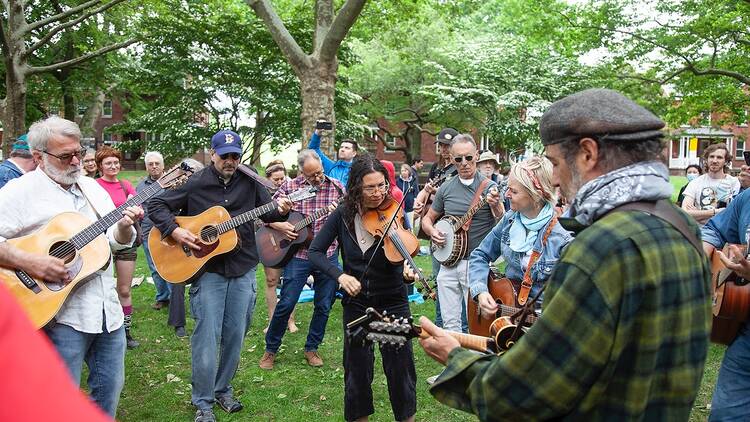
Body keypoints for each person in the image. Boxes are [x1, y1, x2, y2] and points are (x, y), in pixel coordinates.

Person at [418, 88, 712, 420]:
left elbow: (528, 392)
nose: (554, 179)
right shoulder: (683, 226)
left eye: (555, 163)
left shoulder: (600, 247)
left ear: (587, 153)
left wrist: (456, 358)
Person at [0, 116, 142, 416]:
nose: (77, 161)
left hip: (108, 312)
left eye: (79, 152)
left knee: (109, 394)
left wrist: (125, 228)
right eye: (66, 156)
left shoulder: (92, 188)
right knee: (55, 407)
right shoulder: (19, 193)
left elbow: (111, 242)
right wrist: (30, 261)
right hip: (59, 317)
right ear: (39, 157)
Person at [148, 129, 292, 422]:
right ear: (212, 154)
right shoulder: (196, 182)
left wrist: (282, 211)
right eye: (224, 155)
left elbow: (270, 214)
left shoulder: (251, 182)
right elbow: (156, 204)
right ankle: (202, 401)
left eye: (235, 156)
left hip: (242, 267)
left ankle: (222, 389)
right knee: (206, 336)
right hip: (207, 270)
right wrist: (176, 230)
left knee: (235, 334)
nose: (230, 160)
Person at [308, 153, 417, 422]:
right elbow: (316, 251)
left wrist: (406, 270)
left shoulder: (394, 209)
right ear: (356, 186)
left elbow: (401, 251)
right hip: (358, 304)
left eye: (381, 185)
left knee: (400, 371)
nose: (378, 193)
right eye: (370, 187)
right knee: (357, 373)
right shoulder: (342, 214)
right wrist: (340, 276)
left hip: (392, 301)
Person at [260, 150, 344, 370]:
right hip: (298, 255)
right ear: (301, 173)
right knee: (286, 302)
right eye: (312, 176)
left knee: (324, 305)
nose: (317, 178)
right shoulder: (290, 187)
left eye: (319, 173)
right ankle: (271, 349)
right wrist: (279, 224)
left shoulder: (336, 188)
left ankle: (312, 348)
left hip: (328, 255)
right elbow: (266, 215)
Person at [469, 156, 572, 316]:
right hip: (507, 322)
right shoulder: (509, 220)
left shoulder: (562, 237)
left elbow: (570, 298)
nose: (507, 195)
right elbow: (480, 254)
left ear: (536, 195)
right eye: (508, 188)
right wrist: (481, 291)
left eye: (514, 191)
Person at [421, 134, 503, 334]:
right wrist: (432, 232)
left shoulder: (489, 187)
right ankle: (453, 362)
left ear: (476, 155)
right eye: (458, 159)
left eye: (468, 158)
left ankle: (475, 362)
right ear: (451, 158)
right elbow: (427, 219)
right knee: (450, 325)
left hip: (475, 264)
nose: (464, 163)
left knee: (477, 325)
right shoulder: (446, 188)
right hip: (448, 263)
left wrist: (497, 206)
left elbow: (503, 222)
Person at [0, 283, 111, 422]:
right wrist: (28, 262)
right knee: (61, 397)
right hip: (63, 316)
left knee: (109, 390)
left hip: (110, 312)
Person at [702, 187, 750, 420]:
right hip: (747, 334)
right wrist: (701, 258)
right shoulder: (748, 198)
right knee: (725, 415)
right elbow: (714, 228)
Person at [412, 128, 459, 330]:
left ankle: (458, 325)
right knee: (439, 277)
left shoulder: (460, 168)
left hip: (453, 227)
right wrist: (420, 200)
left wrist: (436, 193)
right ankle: (440, 323)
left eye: (448, 145)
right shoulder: (436, 168)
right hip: (434, 226)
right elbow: (426, 189)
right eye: (442, 145)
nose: (444, 149)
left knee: (454, 280)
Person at [95, 146, 141, 349]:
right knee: (100, 289)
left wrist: (137, 210)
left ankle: (126, 332)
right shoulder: (93, 186)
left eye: (115, 162)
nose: (113, 166)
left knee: (123, 289)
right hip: (99, 242)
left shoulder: (126, 186)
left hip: (125, 241)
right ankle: (99, 330)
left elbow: (140, 210)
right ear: (100, 166)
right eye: (108, 163)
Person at [165, 158, 205, 339]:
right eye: (188, 174)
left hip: (204, 244)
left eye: (193, 174)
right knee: (177, 281)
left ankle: (204, 318)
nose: (191, 177)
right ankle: (178, 323)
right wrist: (176, 230)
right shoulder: (178, 190)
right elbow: (164, 211)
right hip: (180, 243)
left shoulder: (208, 192)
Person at [260, 161, 299, 335]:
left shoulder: (293, 190)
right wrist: (279, 225)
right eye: (276, 179)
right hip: (269, 241)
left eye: (282, 178)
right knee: (271, 281)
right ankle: (272, 321)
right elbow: (257, 218)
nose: (280, 182)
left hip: (290, 242)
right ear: (268, 179)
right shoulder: (261, 194)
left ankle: (290, 320)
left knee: (290, 281)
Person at [136, 151, 170, 312]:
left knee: (172, 264)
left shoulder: (172, 181)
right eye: (151, 164)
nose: (154, 166)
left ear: (163, 166)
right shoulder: (141, 187)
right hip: (148, 230)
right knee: (154, 265)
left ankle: (174, 297)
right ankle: (163, 297)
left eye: (157, 163)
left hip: (169, 229)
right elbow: (138, 209)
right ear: (146, 167)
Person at [681, 143, 740, 225]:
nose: (714, 161)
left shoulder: (734, 182)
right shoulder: (695, 183)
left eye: (719, 157)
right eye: (711, 157)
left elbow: (734, 214)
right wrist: (715, 212)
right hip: (701, 232)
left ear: (726, 162)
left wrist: (698, 214)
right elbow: (685, 213)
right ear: (706, 159)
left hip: (725, 233)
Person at [396, 163, 417, 231]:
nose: (404, 172)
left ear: (409, 171)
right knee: (401, 225)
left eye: (405, 170)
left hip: (410, 207)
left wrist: (415, 203)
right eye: (402, 171)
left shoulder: (413, 181)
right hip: (400, 207)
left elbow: (416, 193)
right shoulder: (397, 181)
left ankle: (411, 239)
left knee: (410, 226)